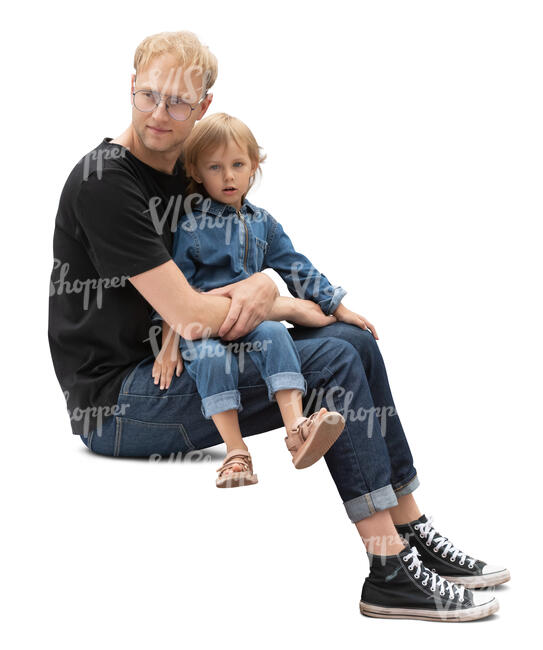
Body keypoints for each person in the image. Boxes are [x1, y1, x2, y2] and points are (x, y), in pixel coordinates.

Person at [48, 30, 509, 621]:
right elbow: (189, 315)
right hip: (122, 401)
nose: (159, 114)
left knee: (353, 341)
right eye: (148, 96)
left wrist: (310, 293)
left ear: (203, 106)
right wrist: (278, 300)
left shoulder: (186, 172)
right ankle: (387, 570)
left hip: (184, 367)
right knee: (333, 360)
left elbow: (236, 260)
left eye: (179, 102)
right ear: (129, 88)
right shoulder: (105, 183)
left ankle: (409, 529)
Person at [153, 112, 379, 488]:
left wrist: (337, 306)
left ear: (253, 166)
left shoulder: (263, 224)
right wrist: (168, 342)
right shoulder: (190, 225)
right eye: (215, 167)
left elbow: (296, 267)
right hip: (206, 325)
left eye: (237, 165)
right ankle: (235, 452)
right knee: (210, 358)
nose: (228, 177)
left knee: (275, 333)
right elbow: (174, 288)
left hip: (252, 324)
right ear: (196, 171)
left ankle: (297, 430)